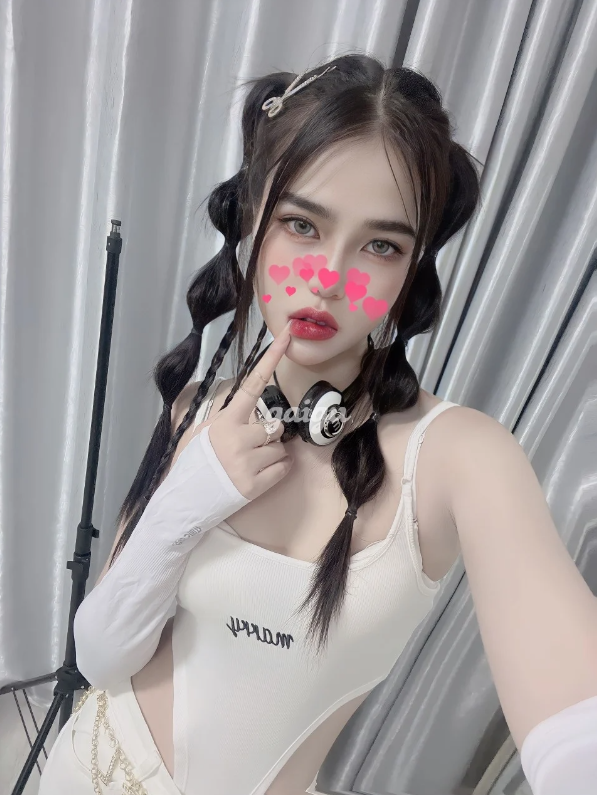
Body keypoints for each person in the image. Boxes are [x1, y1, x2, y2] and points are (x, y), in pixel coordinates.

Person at [38, 54, 597, 795]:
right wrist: (191, 494)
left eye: (381, 245)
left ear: (410, 270)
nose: (329, 277)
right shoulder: (198, 409)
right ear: (253, 222)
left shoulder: (457, 459)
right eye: (302, 224)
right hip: (79, 768)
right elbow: (104, 657)